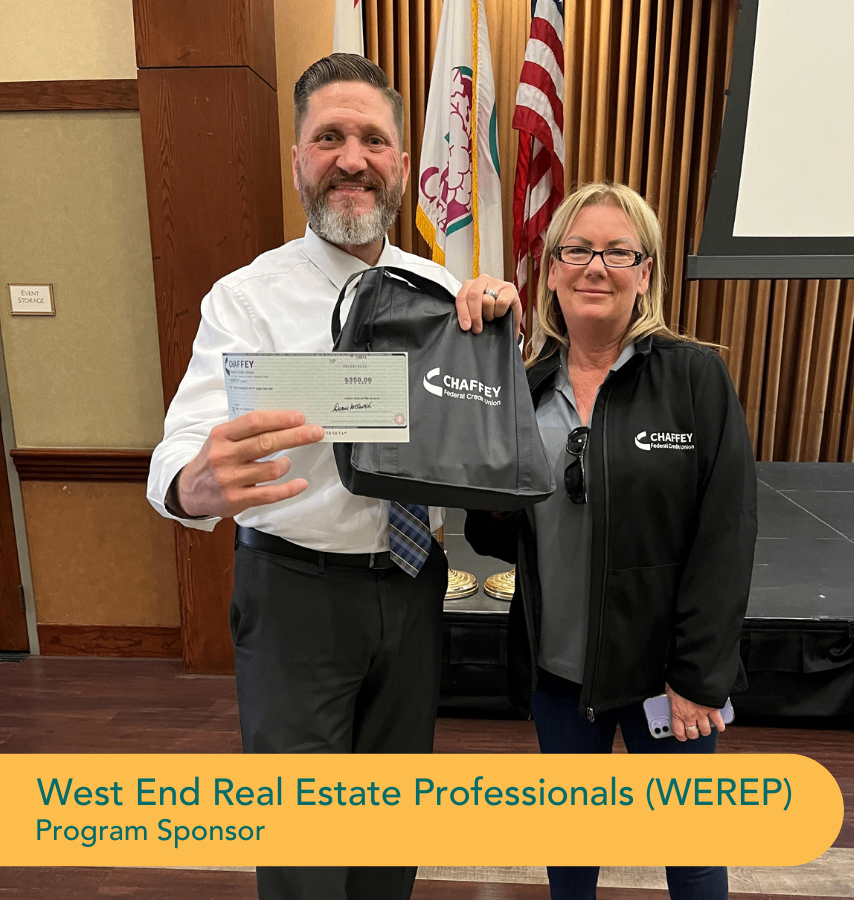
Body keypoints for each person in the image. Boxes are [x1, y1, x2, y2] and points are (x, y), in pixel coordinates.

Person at [147, 53, 519, 900]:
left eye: (373, 140)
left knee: (389, 829)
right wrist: (195, 486)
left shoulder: (443, 289)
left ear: (402, 164)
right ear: (297, 160)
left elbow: (467, 425)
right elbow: (178, 455)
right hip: (296, 595)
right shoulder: (245, 300)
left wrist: (505, 341)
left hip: (415, 583)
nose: (353, 159)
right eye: (329, 138)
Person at [465, 182, 757, 900]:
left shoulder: (694, 378)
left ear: (645, 274)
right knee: (571, 854)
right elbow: (494, 533)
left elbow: (726, 535)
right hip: (558, 675)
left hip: (665, 679)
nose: (596, 266)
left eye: (618, 252)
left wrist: (698, 680)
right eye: (578, 250)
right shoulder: (524, 388)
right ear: (552, 271)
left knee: (691, 855)